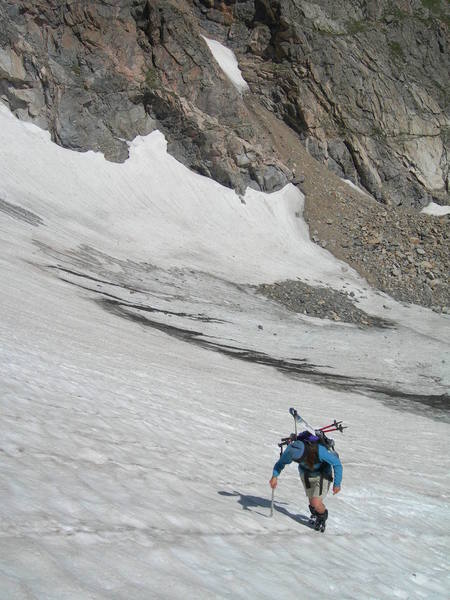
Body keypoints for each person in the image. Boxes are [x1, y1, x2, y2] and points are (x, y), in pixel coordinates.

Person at [269, 436, 343, 530]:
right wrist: (274, 476)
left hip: (322, 474)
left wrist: (337, 484)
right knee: (312, 502)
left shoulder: (319, 450)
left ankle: (322, 517)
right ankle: (315, 514)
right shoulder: (290, 451)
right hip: (306, 475)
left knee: (316, 502)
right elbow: (280, 463)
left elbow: (337, 464)